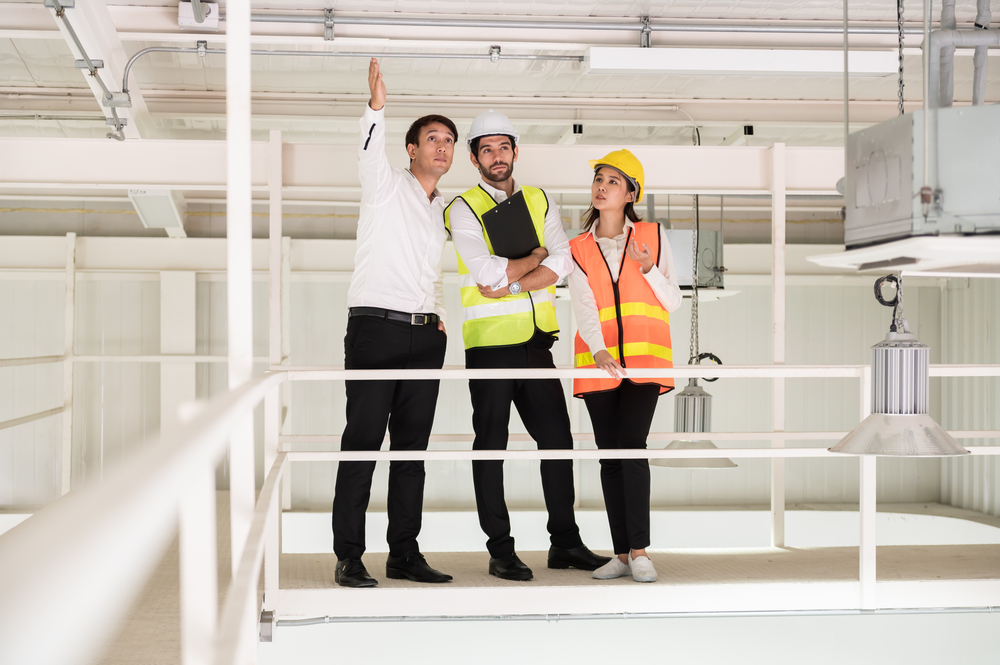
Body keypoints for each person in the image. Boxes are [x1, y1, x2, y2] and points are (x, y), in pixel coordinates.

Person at [444, 110, 610, 581]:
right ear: (474, 159)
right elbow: (485, 274)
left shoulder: (539, 200)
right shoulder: (462, 208)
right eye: (486, 150)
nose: (497, 157)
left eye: (503, 147)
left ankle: (566, 544)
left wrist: (517, 279)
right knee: (490, 445)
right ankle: (500, 550)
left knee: (558, 442)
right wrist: (534, 259)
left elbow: (564, 262)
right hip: (490, 347)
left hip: (538, 345)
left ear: (516, 152)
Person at [332, 58, 455, 588]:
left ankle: (404, 552)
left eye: (449, 140)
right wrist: (376, 107)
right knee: (362, 444)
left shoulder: (440, 208)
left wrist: (440, 317)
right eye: (432, 138)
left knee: (411, 451)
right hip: (375, 329)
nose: (442, 147)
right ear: (411, 149)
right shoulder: (384, 185)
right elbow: (368, 151)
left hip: (425, 335)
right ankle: (349, 557)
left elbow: (432, 273)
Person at [567, 149, 682, 583]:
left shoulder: (651, 236)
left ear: (630, 192)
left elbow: (672, 300)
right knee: (609, 457)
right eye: (599, 178)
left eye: (613, 180)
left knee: (632, 448)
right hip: (599, 364)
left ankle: (640, 550)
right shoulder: (577, 246)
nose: (602, 186)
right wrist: (598, 350)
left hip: (645, 361)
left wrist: (649, 268)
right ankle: (619, 552)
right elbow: (582, 305)